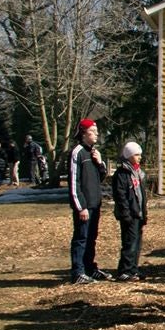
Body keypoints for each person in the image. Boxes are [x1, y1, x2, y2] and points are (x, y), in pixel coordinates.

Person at [68, 119, 111, 284]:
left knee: (91, 237)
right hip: (84, 206)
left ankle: (90, 268)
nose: (97, 134)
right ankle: (78, 271)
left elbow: (100, 178)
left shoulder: (93, 153)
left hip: (95, 203)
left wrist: (100, 163)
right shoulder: (77, 152)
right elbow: (74, 183)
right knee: (81, 237)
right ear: (84, 133)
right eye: (93, 130)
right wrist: (81, 207)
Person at [112, 142, 147, 281]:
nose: (139, 157)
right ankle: (124, 270)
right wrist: (125, 213)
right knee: (129, 243)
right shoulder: (122, 173)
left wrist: (144, 213)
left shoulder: (138, 172)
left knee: (137, 243)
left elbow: (142, 195)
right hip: (129, 214)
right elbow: (120, 196)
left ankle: (133, 269)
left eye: (140, 155)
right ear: (128, 155)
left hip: (138, 213)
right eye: (136, 155)